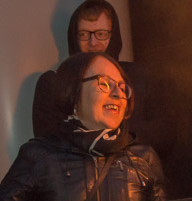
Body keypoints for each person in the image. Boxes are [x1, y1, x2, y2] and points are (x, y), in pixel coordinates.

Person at [0, 52, 192, 201]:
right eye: (104, 82)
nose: (117, 93)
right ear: (73, 92)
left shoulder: (143, 158)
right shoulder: (39, 157)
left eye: (122, 87)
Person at [32, 0, 147, 140]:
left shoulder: (135, 77)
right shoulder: (54, 83)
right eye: (84, 34)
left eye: (101, 34)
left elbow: (155, 132)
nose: (93, 43)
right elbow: (47, 139)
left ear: (113, 35)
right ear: (74, 37)